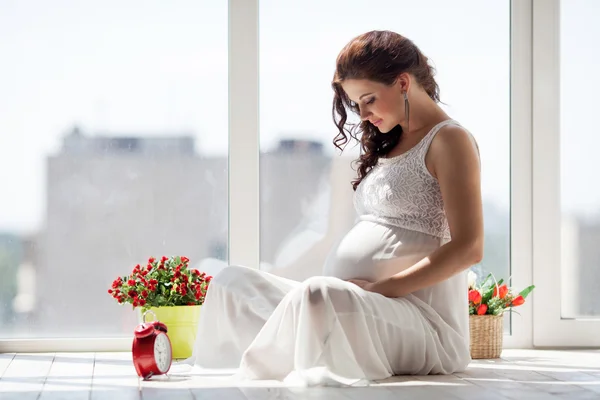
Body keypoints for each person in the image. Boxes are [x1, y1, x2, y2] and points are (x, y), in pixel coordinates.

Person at [190, 30, 483, 386]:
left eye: (369, 99)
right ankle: (233, 385)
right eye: (355, 104)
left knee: (318, 296)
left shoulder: (449, 139)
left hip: (420, 321)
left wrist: (379, 289)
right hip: (354, 305)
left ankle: (286, 370)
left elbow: (469, 247)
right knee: (232, 283)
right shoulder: (391, 141)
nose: (362, 113)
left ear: (403, 83)